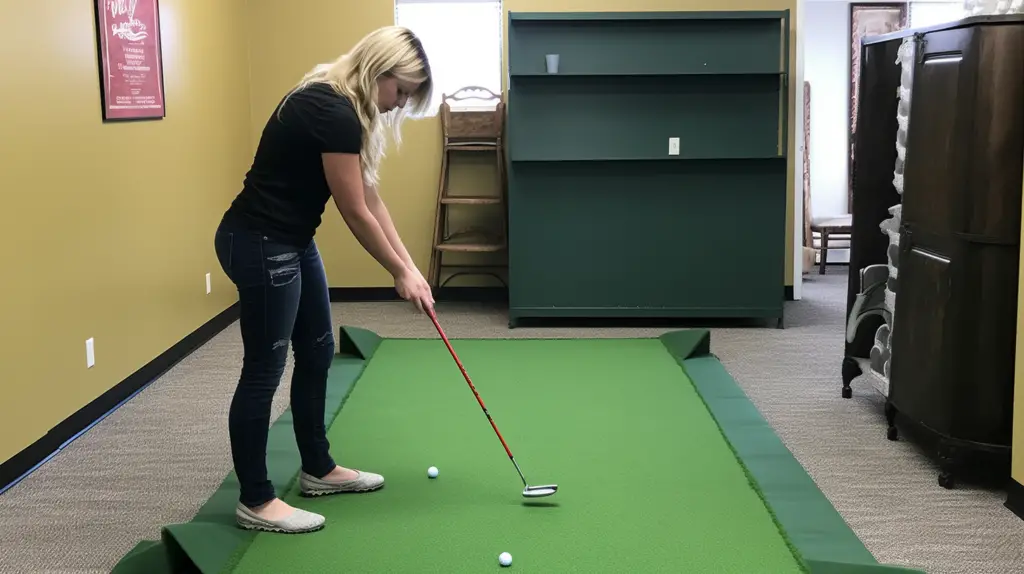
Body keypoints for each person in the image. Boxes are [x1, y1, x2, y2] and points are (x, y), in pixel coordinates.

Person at [213, 26, 435, 534]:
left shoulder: (343, 105)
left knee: (316, 351)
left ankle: (318, 469)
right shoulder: (331, 110)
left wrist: (411, 267)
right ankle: (256, 500)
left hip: (291, 240)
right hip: (259, 243)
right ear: (379, 71)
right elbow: (354, 212)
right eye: (400, 92)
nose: (397, 105)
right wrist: (398, 272)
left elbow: (372, 198)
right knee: (262, 372)